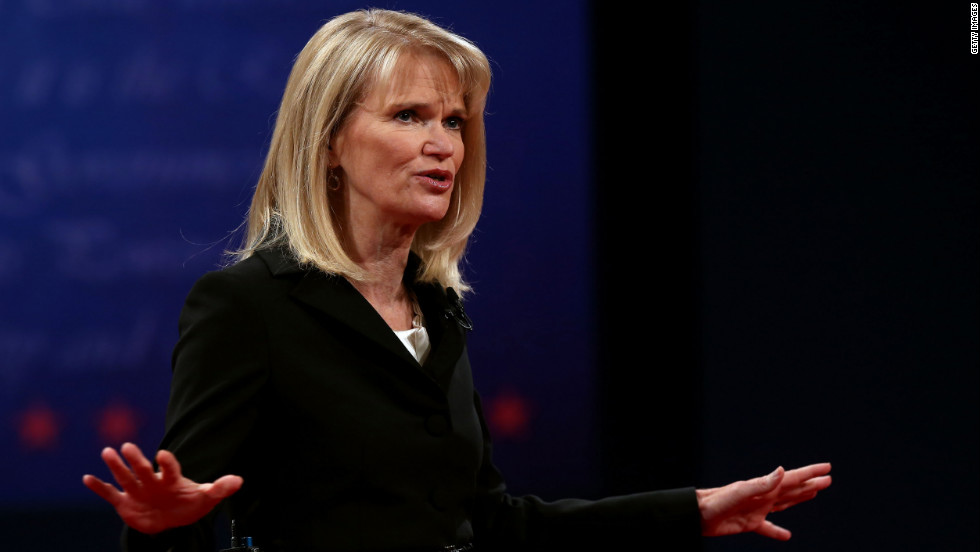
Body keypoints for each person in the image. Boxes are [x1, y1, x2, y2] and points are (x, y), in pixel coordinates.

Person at [82, 9, 831, 552]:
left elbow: (492, 522)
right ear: (330, 142)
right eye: (409, 116)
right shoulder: (249, 306)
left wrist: (693, 510)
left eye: (455, 121)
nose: (443, 145)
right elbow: (187, 507)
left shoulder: (435, 307)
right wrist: (161, 526)